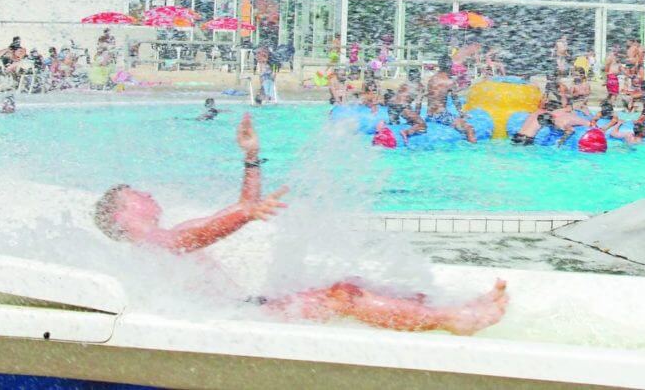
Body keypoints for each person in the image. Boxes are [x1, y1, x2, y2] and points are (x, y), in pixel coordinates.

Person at [92, 112, 507, 334]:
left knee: (351, 281)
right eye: (136, 194)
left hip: (248, 308)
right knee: (341, 296)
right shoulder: (151, 244)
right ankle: (452, 321)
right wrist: (243, 214)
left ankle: (445, 308)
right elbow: (201, 234)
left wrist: (251, 157)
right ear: (121, 214)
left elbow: (244, 207)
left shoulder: (167, 235)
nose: (148, 193)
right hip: (237, 322)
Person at [426, 55, 476, 143]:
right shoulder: (450, 81)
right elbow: (455, 100)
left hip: (429, 115)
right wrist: (462, 113)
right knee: (469, 129)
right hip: (441, 116)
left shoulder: (432, 79)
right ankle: (474, 149)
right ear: (450, 66)